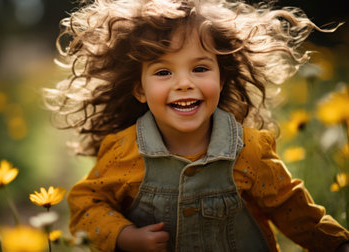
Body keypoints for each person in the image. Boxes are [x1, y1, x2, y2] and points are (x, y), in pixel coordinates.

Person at [45, 0, 349, 251]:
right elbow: (86, 204)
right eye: (163, 72)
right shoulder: (123, 152)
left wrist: (337, 245)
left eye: (200, 68)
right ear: (139, 89)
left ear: (222, 78)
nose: (184, 84)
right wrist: (124, 236)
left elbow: (294, 211)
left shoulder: (249, 151)